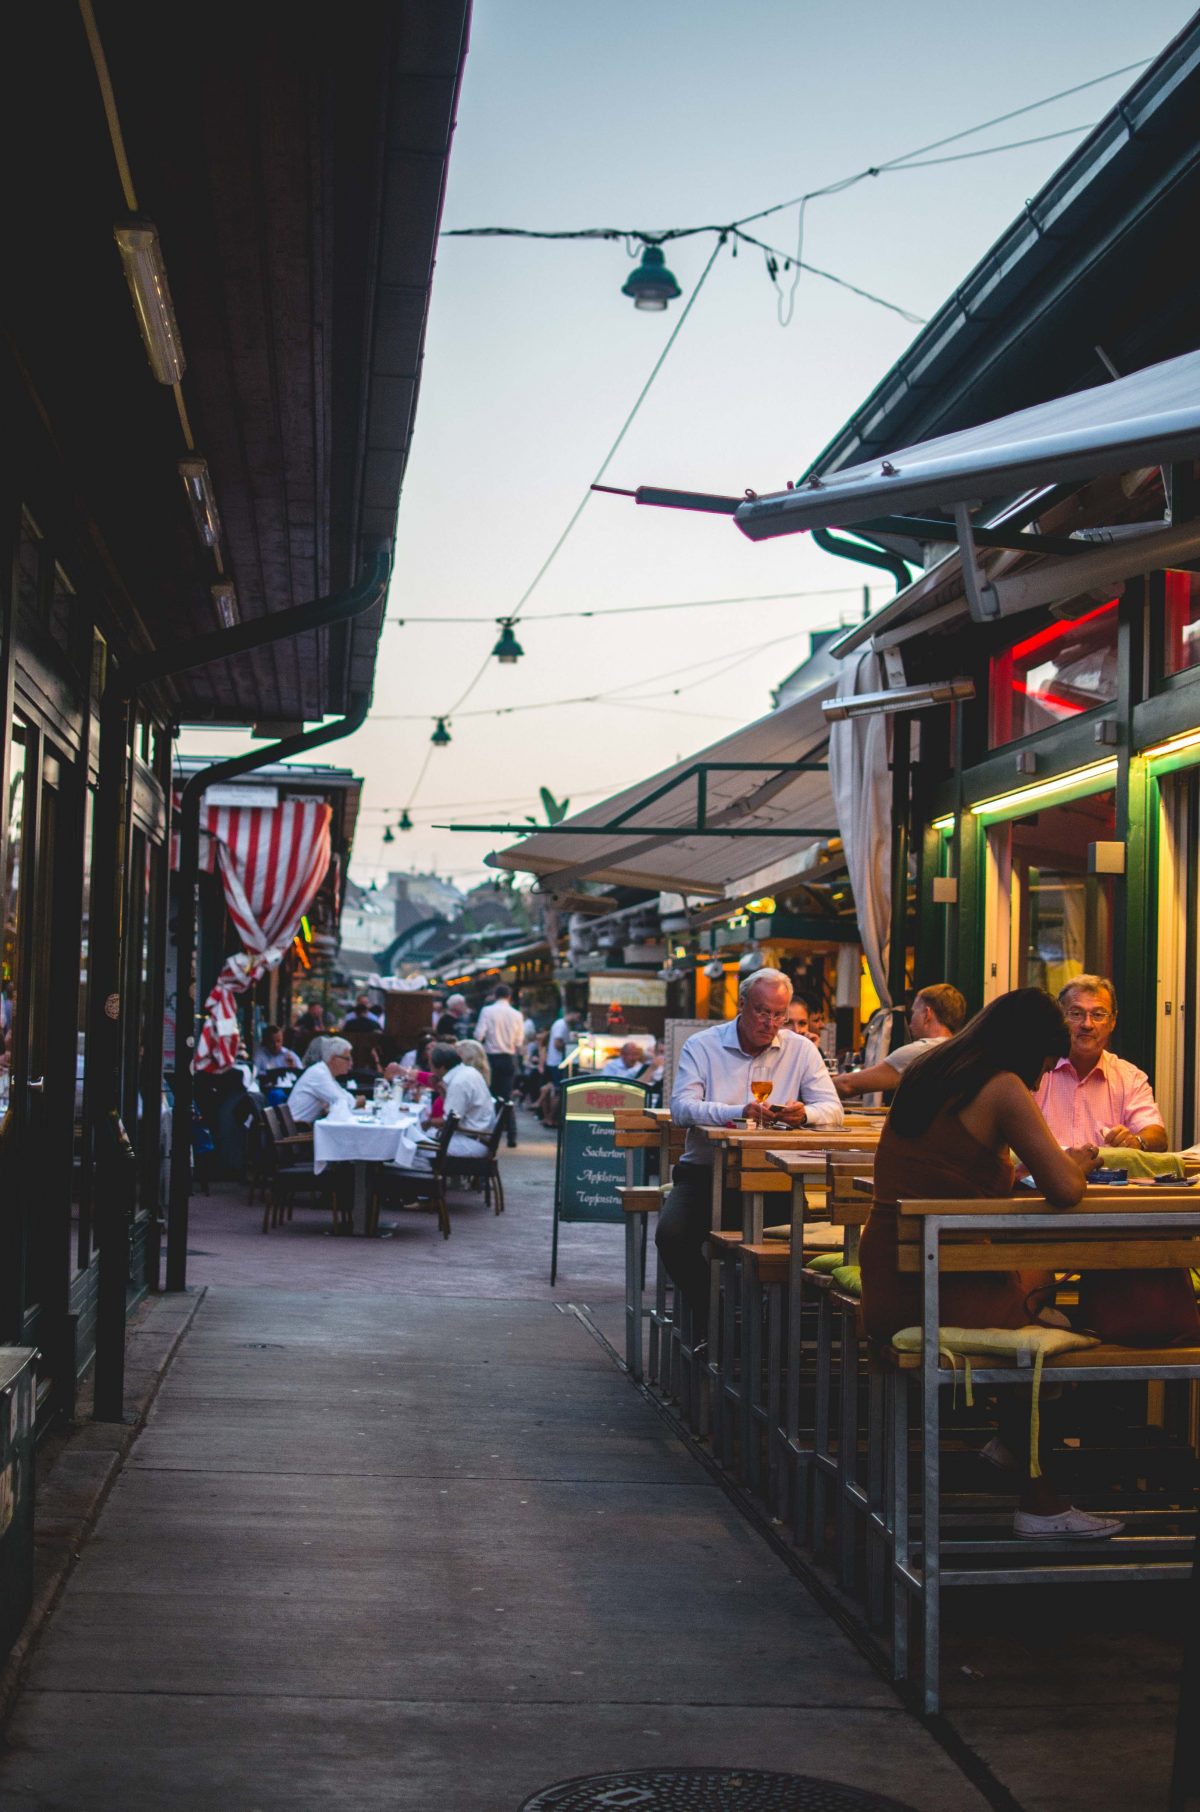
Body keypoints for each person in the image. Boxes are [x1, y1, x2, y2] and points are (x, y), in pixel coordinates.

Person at [860, 987, 1133, 1540]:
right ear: (1025, 1051)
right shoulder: (1003, 1086)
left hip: (892, 1272)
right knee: (1057, 1320)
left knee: (1037, 1290)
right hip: (936, 1287)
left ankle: (1014, 1446)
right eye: (1040, 1065)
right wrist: (1074, 1162)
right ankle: (1037, 1493)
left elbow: (951, 1167)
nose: (1038, 1081)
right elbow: (1063, 1189)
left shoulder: (932, 1070)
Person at [656, 968, 842, 1347]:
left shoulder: (800, 1049)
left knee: (794, 1254)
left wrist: (802, 1113)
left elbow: (833, 1109)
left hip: (776, 1179)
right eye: (762, 1012)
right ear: (741, 1005)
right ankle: (718, 1321)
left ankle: (773, 1341)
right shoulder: (703, 1045)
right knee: (671, 1237)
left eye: (779, 1015)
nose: (771, 1024)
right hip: (707, 1173)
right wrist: (735, 1112)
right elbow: (681, 1108)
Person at [1035, 975, 1167, 1153]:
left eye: (1098, 1015)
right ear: (1060, 1018)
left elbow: (1157, 1136)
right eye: (1076, 1013)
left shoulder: (1130, 1078)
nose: (1087, 1024)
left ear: (1112, 1021)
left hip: (1108, 1181)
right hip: (1044, 1180)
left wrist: (1136, 1141)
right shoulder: (1036, 1071)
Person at [835, 982, 967, 1099]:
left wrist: (818, 1085)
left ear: (927, 1014)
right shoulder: (960, 1049)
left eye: (914, 1012)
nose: (910, 1021)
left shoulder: (921, 1051)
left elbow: (847, 1085)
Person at [391, 1043, 495, 1170]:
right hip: (474, 1136)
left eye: (431, 1064)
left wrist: (427, 1123)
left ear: (441, 1067)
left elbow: (449, 1121)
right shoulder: (467, 1072)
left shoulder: (459, 1082)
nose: (429, 1069)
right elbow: (454, 1114)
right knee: (417, 1138)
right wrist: (441, 1090)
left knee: (410, 1145)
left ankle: (425, 1182)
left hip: (471, 1141)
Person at [474, 984, 525, 1147]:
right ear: (509, 997)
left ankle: (488, 1134)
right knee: (507, 1097)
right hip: (508, 1058)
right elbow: (519, 1041)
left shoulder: (487, 1011)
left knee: (489, 1096)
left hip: (490, 1058)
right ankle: (512, 1135)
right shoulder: (517, 1014)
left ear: (495, 995)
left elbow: (478, 1035)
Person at [287, 1036, 355, 1123]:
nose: (351, 1063)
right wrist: (356, 1102)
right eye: (347, 1059)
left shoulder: (325, 1072)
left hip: (303, 1127)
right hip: (296, 1130)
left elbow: (343, 1097)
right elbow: (340, 1100)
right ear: (334, 1059)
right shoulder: (319, 1073)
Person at [545, 1008, 578, 1082]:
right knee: (558, 1087)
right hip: (557, 1062)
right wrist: (570, 1047)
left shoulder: (563, 1025)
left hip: (556, 1062)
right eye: (577, 1017)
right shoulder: (561, 1025)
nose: (577, 1020)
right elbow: (557, 1044)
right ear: (572, 1014)